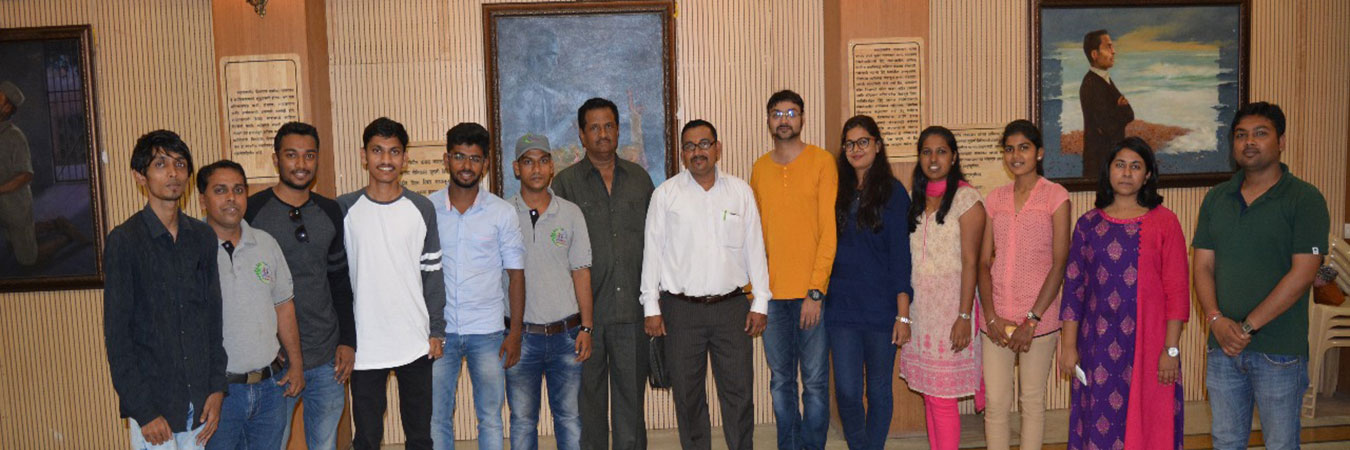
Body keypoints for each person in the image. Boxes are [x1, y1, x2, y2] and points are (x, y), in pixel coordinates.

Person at [1194, 102, 1328, 450]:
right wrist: (1215, 320)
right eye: (1241, 135)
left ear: (1281, 141)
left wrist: (1247, 327)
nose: (1249, 142)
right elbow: (1203, 266)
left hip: (1279, 350)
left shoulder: (1305, 199)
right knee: (1225, 441)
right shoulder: (1216, 198)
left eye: (1260, 133)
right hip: (1222, 346)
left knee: (1281, 443)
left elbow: (1303, 273)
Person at [640, 120, 770, 450]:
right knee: (688, 396)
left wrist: (761, 301)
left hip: (732, 309)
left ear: (717, 148)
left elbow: (755, 248)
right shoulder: (666, 195)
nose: (697, 152)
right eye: (690, 146)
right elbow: (652, 253)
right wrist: (651, 306)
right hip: (681, 311)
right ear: (682, 153)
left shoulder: (740, 192)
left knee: (739, 393)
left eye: (704, 144)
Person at [1059, 137, 1190, 449]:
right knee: (1098, 425)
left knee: (1150, 426)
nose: (1127, 173)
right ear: (1109, 171)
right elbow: (1074, 290)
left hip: (1150, 346)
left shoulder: (1165, 222)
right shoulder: (1088, 225)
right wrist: (1068, 346)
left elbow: (1177, 291)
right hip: (1097, 345)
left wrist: (1171, 350)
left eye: (1135, 166)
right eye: (1120, 165)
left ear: (1147, 175)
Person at [104, 130, 226, 449]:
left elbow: (213, 320)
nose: (173, 172)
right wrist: (143, 411)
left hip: (200, 403)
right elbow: (117, 337)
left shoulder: (202, 237)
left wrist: (217, 388)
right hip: (154, 409)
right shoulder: (124, 241)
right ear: (139, 176)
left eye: (180, 164)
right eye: (160, 164)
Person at [551, 97, 654, 450]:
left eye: (609, 125)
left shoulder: (639, 179)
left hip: (631, 315)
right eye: (594, 127)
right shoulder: (565, 184)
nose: (602, 133)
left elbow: (657, 244)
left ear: (618, 130)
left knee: (631, 407)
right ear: (582, 135)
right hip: (585, 320)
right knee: (589, 407)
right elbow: (557, 251)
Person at [245, 122, 354, 450]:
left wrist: (347, 341)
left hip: (327, 357)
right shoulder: (252, 211)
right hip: (275, 361)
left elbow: (339, 281)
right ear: (276, 159)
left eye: (309, 155)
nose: (301, 164)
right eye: (291, 155)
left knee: (325, 444)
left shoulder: (330, 211)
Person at [338, 118, 445, 450]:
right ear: (363, 155)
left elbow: (432, 274)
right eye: (377, 151)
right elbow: (336, 281)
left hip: (414, 339)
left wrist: (436, 330)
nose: (386, 159)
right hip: (365, 344)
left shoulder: (422, 208)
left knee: (419, 436)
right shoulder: (343, 209)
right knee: (367, 438)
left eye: (394, 152)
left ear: (405, 158)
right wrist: (343, 338)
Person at [749, 89, 836, 450]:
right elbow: (754, 237)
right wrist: (755, 294)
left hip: (810, 295)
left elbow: (828, 233)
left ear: (802, 118)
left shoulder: (822, 161)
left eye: (791, 113)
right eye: (776, 114)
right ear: (768, 120)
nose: (783, 120)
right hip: (771, 297)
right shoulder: (759, 169)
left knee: (814, 383)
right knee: (781, 382)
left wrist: (815, 291)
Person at [429, 122, 526, 450]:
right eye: (459, 156)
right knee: (437, 417)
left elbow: (516, 275)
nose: (466, 165)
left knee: (490, 417)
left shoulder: (502, 213)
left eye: (474, 158)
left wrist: (514, 333)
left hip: (487, 331)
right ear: (447, 159)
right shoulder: (427, 210)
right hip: (440, 331)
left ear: (485, 164)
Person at [197, 160, 304, 450]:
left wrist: (296, 364)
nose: (231, 198)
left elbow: (284, 307)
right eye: (220, 190)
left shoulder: (266, 244)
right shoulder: (190, 250)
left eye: (238, 190)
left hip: (270, 388)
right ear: (203, 199)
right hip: (218, 394)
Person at [976, 120, 1070, 450]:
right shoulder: (995, 199)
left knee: (1031, 401)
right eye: (1009, 149)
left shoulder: (1055, 196)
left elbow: (1060, 263)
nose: (1016, 155)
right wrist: (990, 316)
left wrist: (1032, 320)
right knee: (996, 405)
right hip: (997, 319)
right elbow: (983, 262)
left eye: (1024, 148)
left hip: (1039, 320)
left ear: (1039, 153)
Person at [825, 115, 912, 450]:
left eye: (863, 142)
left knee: (877, 390)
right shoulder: (835, 190)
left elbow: (901, 257)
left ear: (877, 145)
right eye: (849, 143)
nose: (856, 149)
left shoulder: (893, 192)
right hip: (841, 308)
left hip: (881, 309)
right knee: (847, 391)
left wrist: (903, 314)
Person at [504, 133, 594, 450]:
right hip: (519, 337)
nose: (537, 169)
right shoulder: (502, 214)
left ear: (552, 167)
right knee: (522, 420)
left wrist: (586, 327)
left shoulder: (570, 213)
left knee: (569, 418)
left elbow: (581, 272)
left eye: (543, 161)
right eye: (528, 162)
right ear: (517, 168)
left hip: (565, 336)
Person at [899, 125, 984, 450]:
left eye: (941, 151)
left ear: (954, 157)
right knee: (931, 396)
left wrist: (964, 315)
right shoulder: (913, 199)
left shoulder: (966, 199)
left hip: (951, 312)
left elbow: (972, 262)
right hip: (921, 313)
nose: (933, 159)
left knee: (943, 399)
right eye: (926, 152)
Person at [1079, 29, 1134, 178]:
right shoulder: (1091, 84)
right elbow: (1108, 126)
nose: (1113, 51)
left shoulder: (1104, 79)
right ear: (1094, 54)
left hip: (1110, 159)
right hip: (1099, 162)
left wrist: (1120, 110)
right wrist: (1121, 109)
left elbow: (1130, 114)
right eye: (1108, 47)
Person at [0, 80, 37, 266]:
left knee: (28, 261)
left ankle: (65, 236)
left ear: (7, 108)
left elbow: (26, 175)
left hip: (16, 207)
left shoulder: (15, 136)